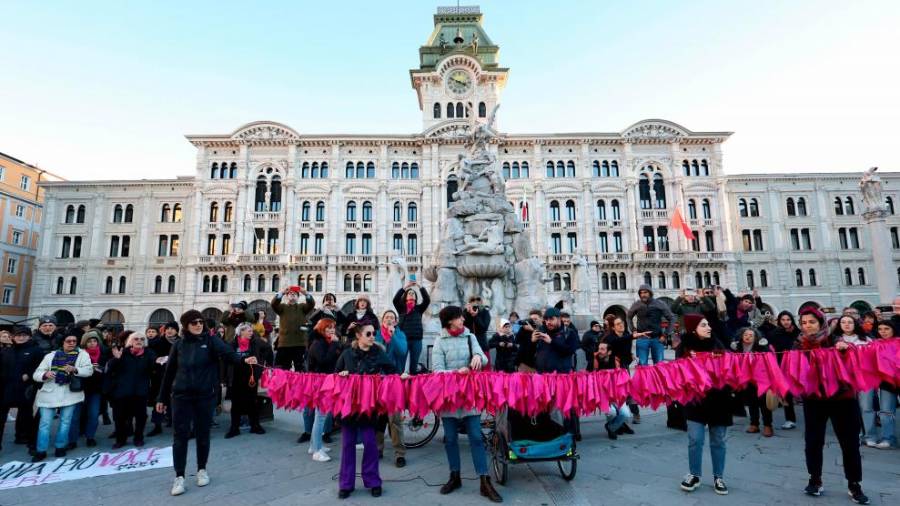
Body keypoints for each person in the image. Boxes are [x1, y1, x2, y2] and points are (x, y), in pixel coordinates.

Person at [156, 310, 259, 496]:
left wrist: (244, 359)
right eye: (194, 322)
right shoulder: (179, 345)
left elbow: (229, 354)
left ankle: (202, 469)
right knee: (180, 436)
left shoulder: (211, 341)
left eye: (200, 322)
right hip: (181, 396)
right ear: (186, 325)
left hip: (204, 396)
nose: (198, 325)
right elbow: (169, 372)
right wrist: (161, 398)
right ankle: (179, 476)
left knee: (203, 434)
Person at [795, 307, 868, 504]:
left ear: (821, 323)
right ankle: (815, 479)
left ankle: (854, 484)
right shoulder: (799, 344)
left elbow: (853, 359)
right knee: (813, 441)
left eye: (811, 322)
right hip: (814, 400)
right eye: (803, 322)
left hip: (841, 399)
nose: (807, 326)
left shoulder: (835, 340)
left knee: (849, 443)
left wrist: (844, 351)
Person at [433, 305, 502, 503]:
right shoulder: (439, 340)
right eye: (458, 317)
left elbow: (482, 356)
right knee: (451, 439)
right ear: (449, 322)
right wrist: (456, 373)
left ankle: (484, 480)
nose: (462, 319)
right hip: (449, 397)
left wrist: (477, 359)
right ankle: (455, 476)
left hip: (470, 394)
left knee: (476, 437)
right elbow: (437, 370)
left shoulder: (470, 337)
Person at [334, 322, 397, 499]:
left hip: (369, 406)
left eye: (373, 334)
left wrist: (393, 377)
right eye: (368, 334)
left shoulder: (378, 353)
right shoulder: (347, 353)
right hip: (349, 406)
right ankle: (346, 484)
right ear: (358, 336)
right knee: (347, 445)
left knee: (370, 444)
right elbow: (336, 373)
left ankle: (373, 482)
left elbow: (392, 370)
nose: (372, 337)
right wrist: (342, 374)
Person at [678, 314, 731, 495]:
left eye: (708, 324)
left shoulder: (718, 344)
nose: (708, 327)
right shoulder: (684, 346)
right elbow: (677, 371)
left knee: (718, 440)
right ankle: (694, 474)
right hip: (695, 400)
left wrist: (720, 357)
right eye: (703, 325)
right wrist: (688, 360)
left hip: (719, 399)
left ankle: (719, 477)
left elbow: (729, 364)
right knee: (695, 439)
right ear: (694, 328)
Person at [31, 334, 93, 462]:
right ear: (62, 342)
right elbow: (36, 374)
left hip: (70, 393)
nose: (72, 343)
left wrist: (75, 369)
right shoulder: (50, 356)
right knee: (45, 424)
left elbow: (89, 371)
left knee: (65, 422)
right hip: (50, 392)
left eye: (74, 341)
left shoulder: (83, 354)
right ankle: (41, 450)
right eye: (68, 341)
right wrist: (45, 374)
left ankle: (60, 447)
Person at [830, 315, 877, 448]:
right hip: (845, 379)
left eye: (850, 322)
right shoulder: (834, 341)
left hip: (865, 377)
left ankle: (870, 435)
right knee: (851, 409)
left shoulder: (866, 339)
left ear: (855, 324)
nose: (846, 325)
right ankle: (855, 435)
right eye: (843, 322)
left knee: (867, 407)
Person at [106, 332, 156, 448]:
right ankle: (120, 440)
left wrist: (158, 364)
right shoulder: (123, 352)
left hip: (140, 391)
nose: (139, 341)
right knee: (120, 418)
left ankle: (138, 438)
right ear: (130, 341)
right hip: (122, 391)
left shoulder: (149, 353)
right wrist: (116, 359)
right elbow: (110, 370)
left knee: (140, 417)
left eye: (142, 339)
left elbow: (153, 370)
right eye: (136, 339)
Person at [224, 323, 272, 439]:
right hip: (236, 377)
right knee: (236, 403)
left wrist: (261, 363)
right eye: (249, 331)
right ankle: (234, 428)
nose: (251, 333)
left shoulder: (256, 342)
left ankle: (255, 425)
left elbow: (268, 349)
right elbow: (227, 358)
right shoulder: (233, 343)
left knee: (252, 401)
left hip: (251, 376)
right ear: (241, 332)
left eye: (251, 331)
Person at [0, 327, 44, 454]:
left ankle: (22, 437)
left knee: (24, 414)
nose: (21, 337)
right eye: (18, 335)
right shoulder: (6, 351)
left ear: (29, 337)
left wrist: (29, 375)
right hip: (6, 388)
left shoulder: (36, 351)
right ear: (13, 337)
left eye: (24, 335)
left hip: (25, 388)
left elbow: (40, 367)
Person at [375, 310, 408, 467]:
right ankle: (378, 449)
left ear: (395, 322)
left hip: (394, 379)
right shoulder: (375, 334)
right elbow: (375, 352)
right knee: (378, 418)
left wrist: (393, 336)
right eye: (386, 317)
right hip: (378, 380)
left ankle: (399, 453)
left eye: (392, 318)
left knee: (395, 418)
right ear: (382, 320)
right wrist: (383, 337)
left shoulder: (400, 334)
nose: (389, 320)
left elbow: (402, 352)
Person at [306, 317, 342, 462]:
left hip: (328, 381)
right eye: (328, 328)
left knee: (321, 416)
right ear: (322, 329)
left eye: (333, 327)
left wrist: (336, 344)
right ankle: (316, 450)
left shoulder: (328, 342)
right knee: (320, 417)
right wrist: (334, 344)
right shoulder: (318, 343)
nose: (331, 330)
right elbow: (324, 361)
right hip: (320, 383)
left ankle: (313, 444)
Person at [731, 327, 774, 437]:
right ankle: (754, 424)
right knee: (752, 402)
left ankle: (768, 425)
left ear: (755, 337)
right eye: (746, 334)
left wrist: (763, 348)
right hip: (747, 379)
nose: (748, 337)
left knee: (764, 403)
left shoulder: (761, 346)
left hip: (761, 378)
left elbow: (769, 356)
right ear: (741, 336)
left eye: (751, 335)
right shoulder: (738, 347)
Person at [68, 332, 107, 448]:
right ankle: (72, 440)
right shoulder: (78, 354)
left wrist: (100, 369)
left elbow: (109, 370)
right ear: (85, 342)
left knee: (93, 414)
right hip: (79, 388)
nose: (92, 343)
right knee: (75, 416)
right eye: (89, 341)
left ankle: (90, 437)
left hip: (96, 389)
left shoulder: (104, 353)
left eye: (94, 341)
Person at [592, 341, 634, 439]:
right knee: (612, 412)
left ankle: (611, 427)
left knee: (626, 414)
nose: (599, 351)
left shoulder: (616, 361)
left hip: (617, 395)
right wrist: (594, 358)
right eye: (599, 349)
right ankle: (615, 428)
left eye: (602, 349)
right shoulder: (596, 359)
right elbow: (592, 372)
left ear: (609, 352)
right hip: (604, 396)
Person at [626, 284, 674, 365]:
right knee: (642, 364)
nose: (643, 295)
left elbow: (672, 318)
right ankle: (644, 378)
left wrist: (665, 335)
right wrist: (633, 330)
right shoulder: (636, 304)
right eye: (641, 293)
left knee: (659, 365)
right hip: (642, 338)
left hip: (657, 338)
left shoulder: (660, 303)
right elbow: (628, 317)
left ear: (650, 293)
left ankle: (658, 378)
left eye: (645, 292)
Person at [271, 285, 316, 371]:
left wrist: (306, 293)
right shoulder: (282, 307)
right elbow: (273, 304)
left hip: (299, 343)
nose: (292, 294)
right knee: (283, 368)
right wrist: (282, 292)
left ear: (298, 297)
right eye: (290, 293)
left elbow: (311, 304)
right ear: (287, 296)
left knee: (300, 368)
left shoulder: (302, 307)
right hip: (284, 343)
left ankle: (300, 384)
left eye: (295, 294)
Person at [392, 280, 430, 374]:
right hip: (403, 340)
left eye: (413, 293)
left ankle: (413, 385)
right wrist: (405, 287)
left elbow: (427, 300)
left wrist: (420, 287)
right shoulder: (401, 308)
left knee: (414, 366)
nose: (411, 294)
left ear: (416, 297)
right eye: (409, 293)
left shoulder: (419, 309)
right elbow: (395, 299)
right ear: (405, 296)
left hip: (416, 340)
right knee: (401, 364)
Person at [147, 322, 177, 437]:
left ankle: (174, 423)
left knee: (175, 401)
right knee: (158, 399)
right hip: (159, 375)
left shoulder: (180, 341)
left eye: (172, 329)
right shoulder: (157, 342)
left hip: (176, 375)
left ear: (176, 330)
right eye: (167, 328)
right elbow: (151, 356)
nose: (169, 331)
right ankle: (157, 426)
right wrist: (157, 359)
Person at [873, 320, 897, 449]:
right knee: (886, 412)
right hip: (886, 382)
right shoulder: (875, 344)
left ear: (893, 329)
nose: (883, 331)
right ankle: (888, 438)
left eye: (886, 329)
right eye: (880, 329)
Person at [532, 307, 579, 374]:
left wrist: (551, 342)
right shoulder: (541, 331)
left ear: (559, 319)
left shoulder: (569, 333)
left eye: (551, 319)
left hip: (560, 377)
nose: (548, 322)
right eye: (546, 319)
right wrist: (532, 342)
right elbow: (532, 354)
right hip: (542, 376)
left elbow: (569, 351)